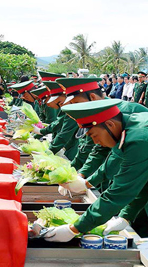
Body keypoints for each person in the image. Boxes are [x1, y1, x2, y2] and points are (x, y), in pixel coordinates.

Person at [45, 99, 148, 242]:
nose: (95, 142)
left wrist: (73, 229)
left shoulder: (139, 139)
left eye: (94, 135)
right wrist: (126, 215)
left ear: (110, 124)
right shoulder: (129, 128)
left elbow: (119, 193)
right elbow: (143, 182)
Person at [33, 81, 79, 160]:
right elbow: (59, 123)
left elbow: (65, 132)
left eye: (60, 102)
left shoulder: (73, 108)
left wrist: (50, 151)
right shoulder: (67, 107)